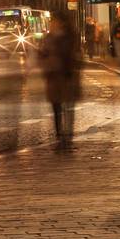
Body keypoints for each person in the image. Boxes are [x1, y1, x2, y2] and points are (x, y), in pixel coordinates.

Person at [37, 14, 81, 151]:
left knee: (67, 108)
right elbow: (42, 54)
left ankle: (67, 137)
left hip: (67, 77)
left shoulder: (70, 37)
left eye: (54, 21)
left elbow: (75, 56)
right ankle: (60, 136)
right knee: (57, 109)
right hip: (54, 78)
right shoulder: (49, 38)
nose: (52, 24)